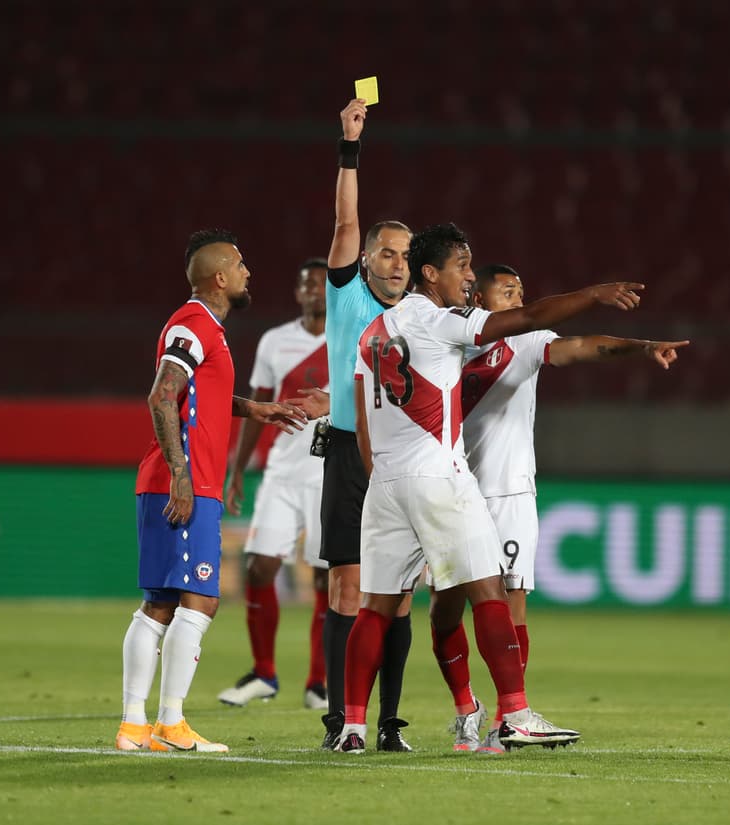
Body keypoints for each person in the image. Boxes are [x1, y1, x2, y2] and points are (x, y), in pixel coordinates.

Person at [334, 222, 645, 754]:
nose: (468, 276)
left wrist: (381, 476)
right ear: (430, 273)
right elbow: (525, 319)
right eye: (460, 265)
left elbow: (364, 422)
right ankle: (516, 715)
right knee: (489, 592)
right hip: (439, 476)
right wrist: (593, 294)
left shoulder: (372, 333)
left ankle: (352, 728)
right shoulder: (442, 321)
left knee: (374, 608)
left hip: (384, 484)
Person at [444, 263, 688, 752]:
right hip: (451, 490)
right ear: (480, 301)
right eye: (507, 292)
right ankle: (466, 709)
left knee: (512, 602)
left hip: (509, 491)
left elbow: (584, 347)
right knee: (445, 608)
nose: (518, 300)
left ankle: (509, 717)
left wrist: (641, 348)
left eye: (521, 291)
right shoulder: (447, 346)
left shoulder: (528, 342)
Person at [115, 229, 307, 753]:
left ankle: (135, 726)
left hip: (177, 481)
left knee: (159, 604)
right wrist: (181, 476)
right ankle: (170, 722)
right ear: (220, 277)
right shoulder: (194, 323)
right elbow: (162, 396)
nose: (249, 273)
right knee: (200, 600)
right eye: (241, 265)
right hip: (185, 483)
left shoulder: (204, 328)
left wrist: (254, 408)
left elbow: (200, 394)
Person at [317, 97, 416, 752]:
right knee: (347, 587)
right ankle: (340, 723)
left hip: (404, 457)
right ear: (366, 260)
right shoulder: (346, 292)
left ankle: (387, 723)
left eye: (406, 255)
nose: (397, 263)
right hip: (350, 451)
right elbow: (346, 219)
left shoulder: (421, 312)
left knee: (399, 595)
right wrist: (350, 147)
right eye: (386, 253)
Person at [216, 258, 332, 711]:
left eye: (322, 283)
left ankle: (319, 682)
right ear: (298, 292)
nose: (315, 290)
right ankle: (263, 673)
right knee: (259, 567)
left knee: (327, 578)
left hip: (331, 472)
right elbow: (257, 407)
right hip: (282, 472)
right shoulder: (275, 341)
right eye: (307, 284)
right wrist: (237, 469)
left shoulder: (354, 338)